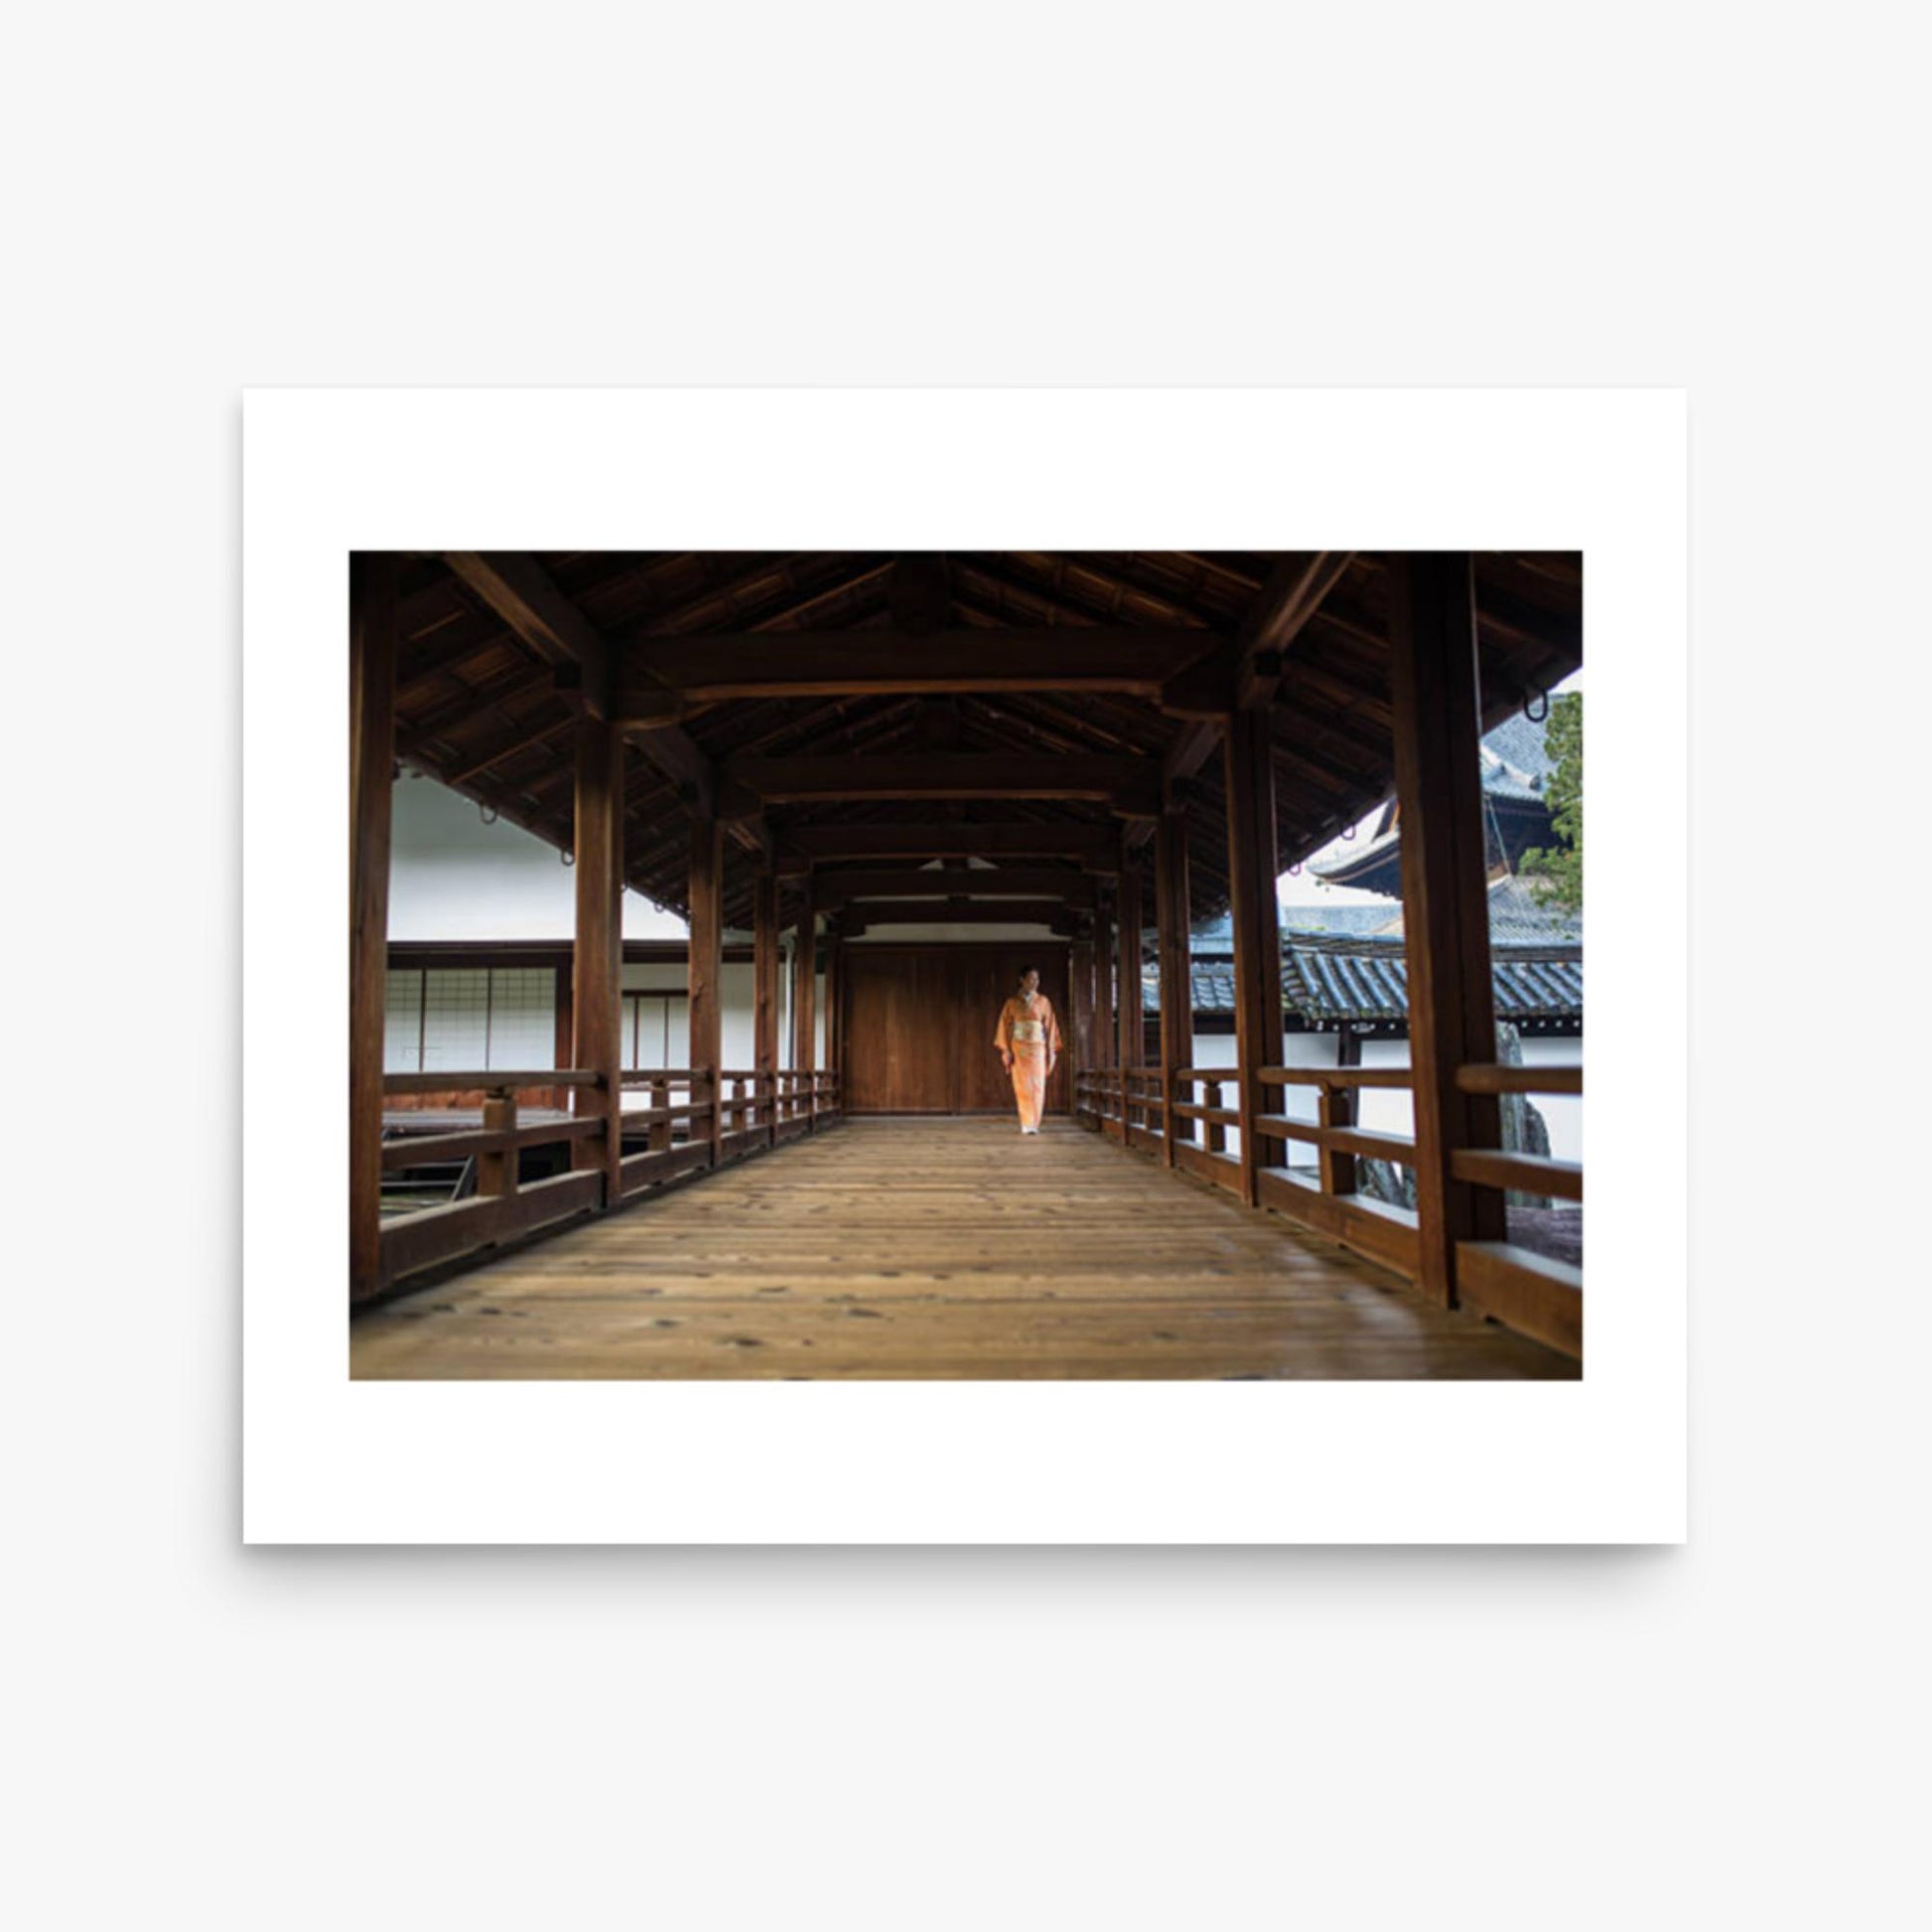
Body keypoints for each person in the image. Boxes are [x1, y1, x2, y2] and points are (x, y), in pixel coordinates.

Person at [994, 965, 1063, 1136]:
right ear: (1022, 980)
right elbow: (1003, 1026)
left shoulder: (1043, 1002)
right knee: (1022, 1085)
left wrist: (1051, 1049)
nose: (1034, 983)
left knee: (1038, 1085)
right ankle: (1026, 1123)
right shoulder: (1012, 1003)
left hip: (1038, 1048)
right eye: (1031, 979)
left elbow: (1050, 1027)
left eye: (1037, 979)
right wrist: (1006, 1049)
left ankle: (1035, 1123)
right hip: (1019, 1047)